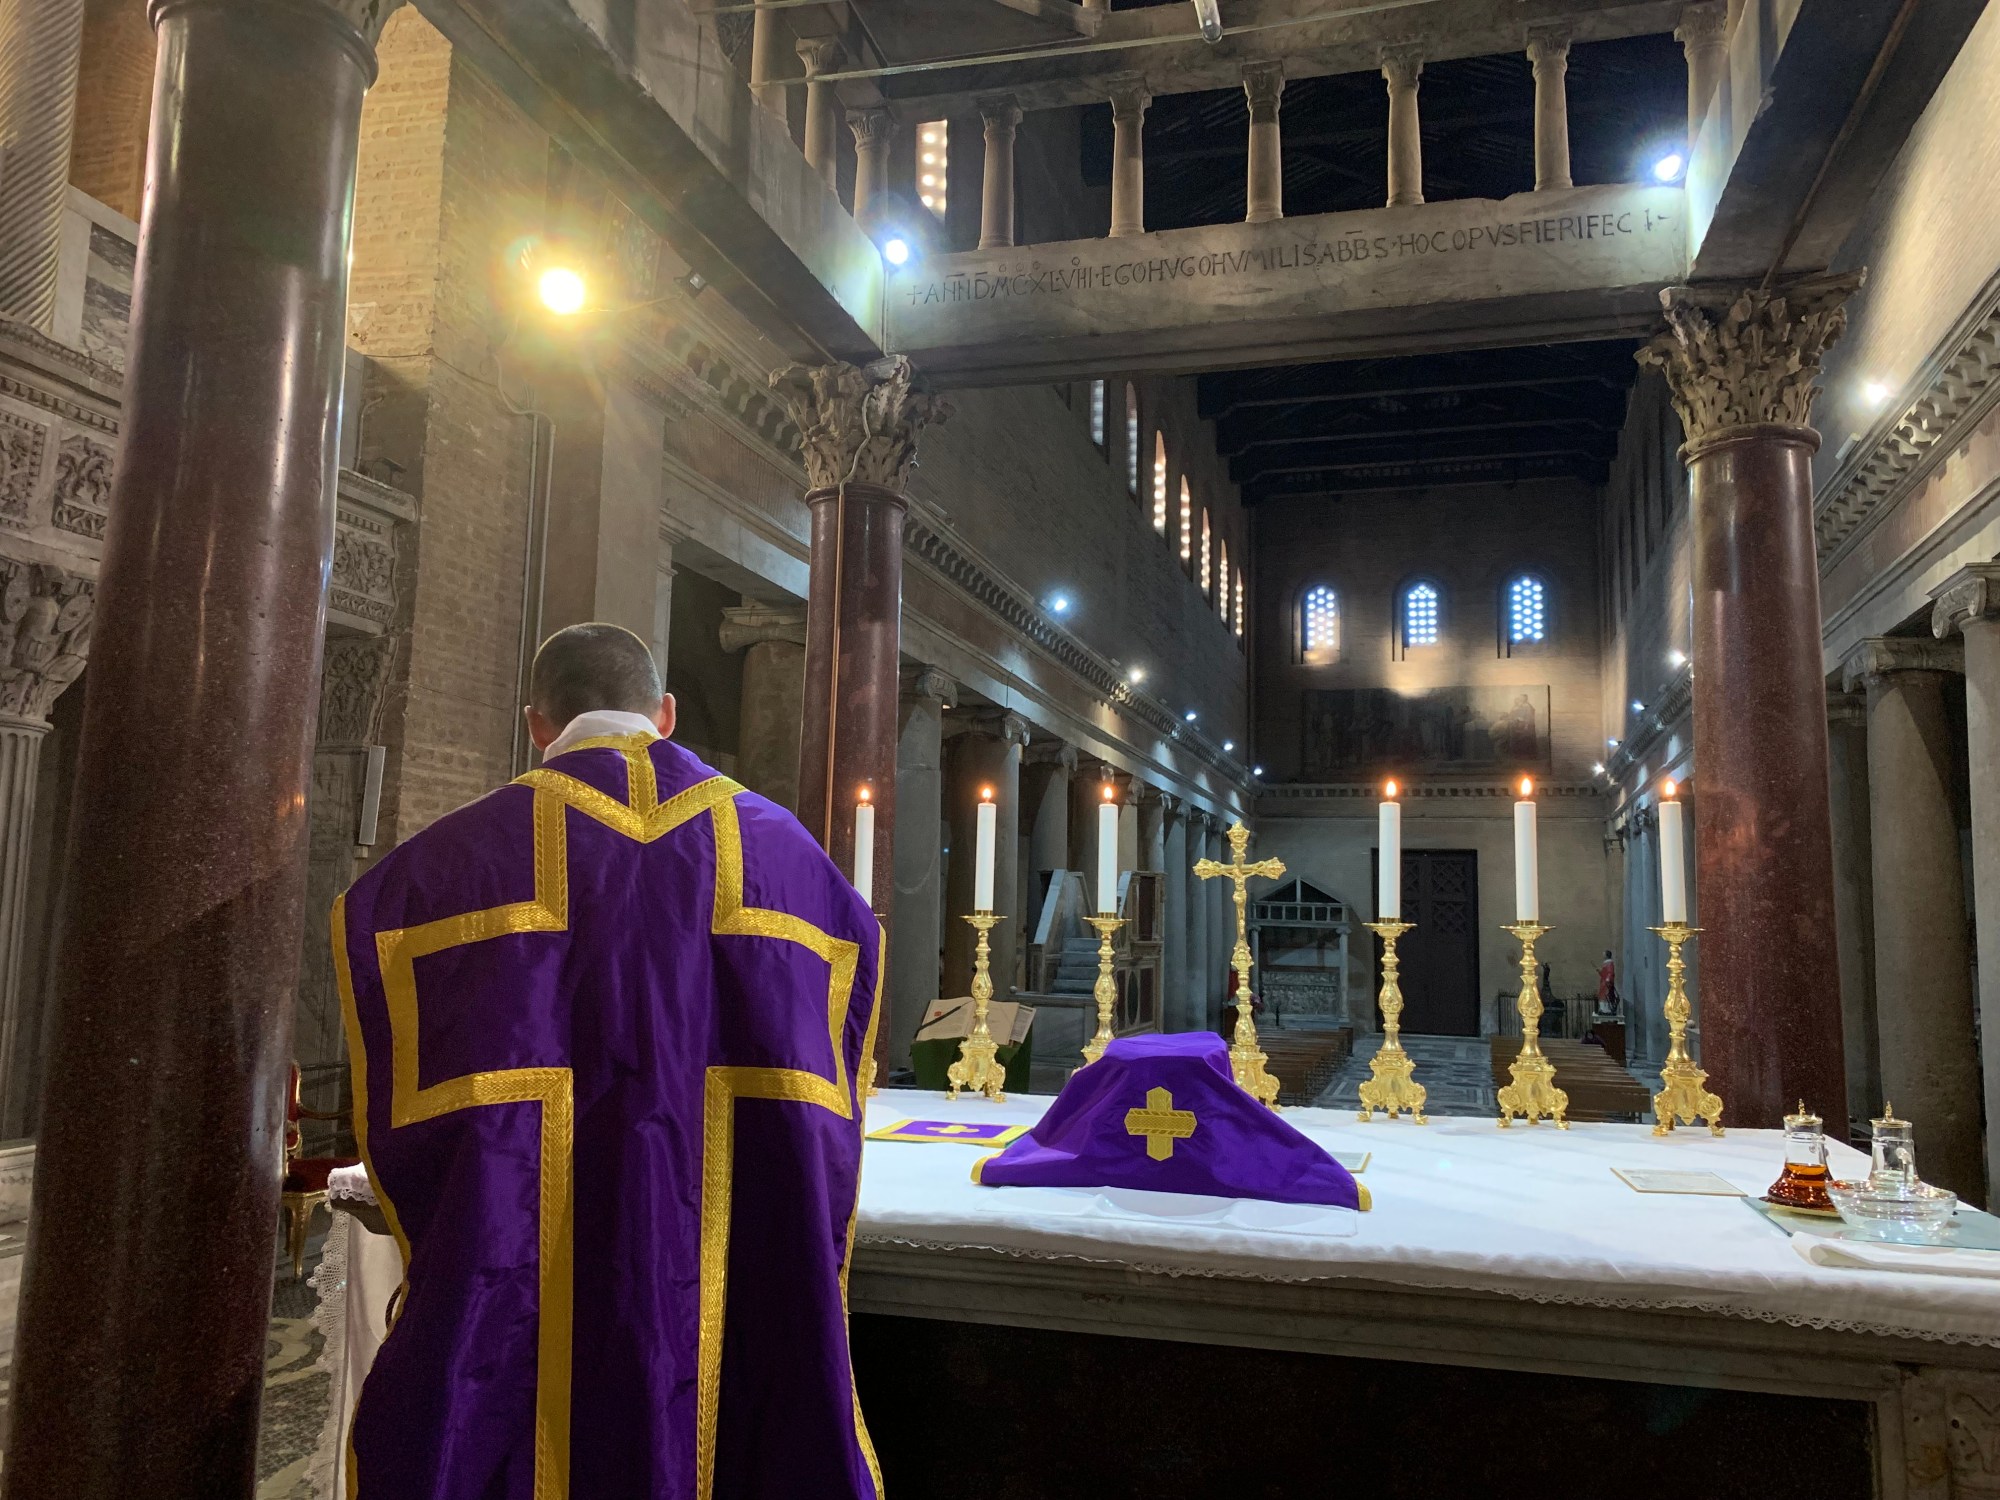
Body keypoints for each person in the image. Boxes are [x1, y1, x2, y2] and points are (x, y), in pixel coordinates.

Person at [333, 623, 883, 1500]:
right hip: (726, 1277)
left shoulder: (445, 871)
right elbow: (817, 1107)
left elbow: (428, 1115)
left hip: (527, 1274)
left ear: (537, 725)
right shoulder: (787, 863)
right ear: (664, 714)